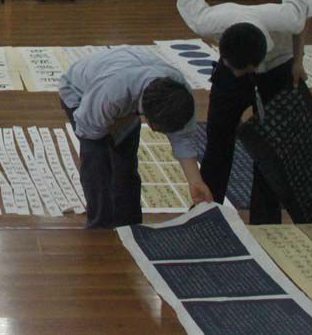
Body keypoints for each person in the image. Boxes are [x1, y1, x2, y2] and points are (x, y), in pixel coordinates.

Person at [177, 0, 312, 224]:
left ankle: (265, 218)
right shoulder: (209, 21)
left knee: (270, 144)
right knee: (218, 137)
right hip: (230, 72)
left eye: (244, 70)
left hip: (276, 70)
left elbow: (301, 8)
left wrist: (298, 60)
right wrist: (232, 70)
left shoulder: (285, 18)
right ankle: (207, 208)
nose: (240, 74)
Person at [59, 46, 211, 228]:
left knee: (125, 163)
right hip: (79, 92)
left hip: (127, 87)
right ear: (146, 114)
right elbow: (88, 131)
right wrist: (117, 125)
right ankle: (100, 227)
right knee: (98, 163)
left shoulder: (179, 95)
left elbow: (183, 138)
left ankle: (130, 224)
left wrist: (195, 181)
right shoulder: (112, 94)